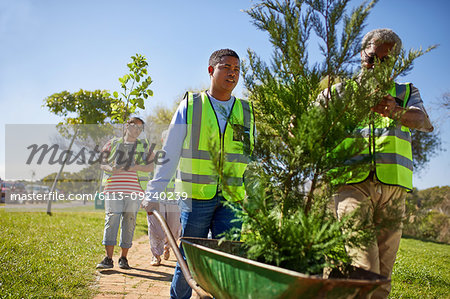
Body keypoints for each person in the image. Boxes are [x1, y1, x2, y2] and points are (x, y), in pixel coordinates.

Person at [326, 29, 433, 299]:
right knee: (364, 268)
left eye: (385, 61)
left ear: (395, 61)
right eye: (372, 58)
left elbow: (423, 121)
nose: (376, 65)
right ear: (362, 55)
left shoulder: (406, 91)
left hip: (394, 189)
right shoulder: (340, 91)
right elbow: (310, 123)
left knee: (383, 277)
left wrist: (395, 111)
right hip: (351, 185)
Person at [142, 49, 255, 299]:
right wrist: (154, 192)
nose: (232, 74)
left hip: (232, 199)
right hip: (195, 198)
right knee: (189, 259)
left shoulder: (246, 112)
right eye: (226, 67)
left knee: (227, 261)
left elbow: (250, 159)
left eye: (237, 70)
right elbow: (169, 152)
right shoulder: (191, 106)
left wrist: (256, 198)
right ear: (211, 70)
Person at [96, 117, 154, 270]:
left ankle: (124, 258)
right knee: (111, 220)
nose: (137, 130)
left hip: (134, 190)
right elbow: (102, 163)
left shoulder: (144, 146)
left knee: (129, 221)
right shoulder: (112, 143)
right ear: (127, 126)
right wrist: (112, 169)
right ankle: (108, 259)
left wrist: (136, 167)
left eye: (140, 128)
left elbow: (151, 167)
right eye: (135, 126)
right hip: (113, 189)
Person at [146, 130, 181, 267]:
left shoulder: (181, 156)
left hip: (174, 198)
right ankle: (155, 255)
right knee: (155, 228)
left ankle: (168, 246)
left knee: (173, 228)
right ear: (162, 141)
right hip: (157, 197)